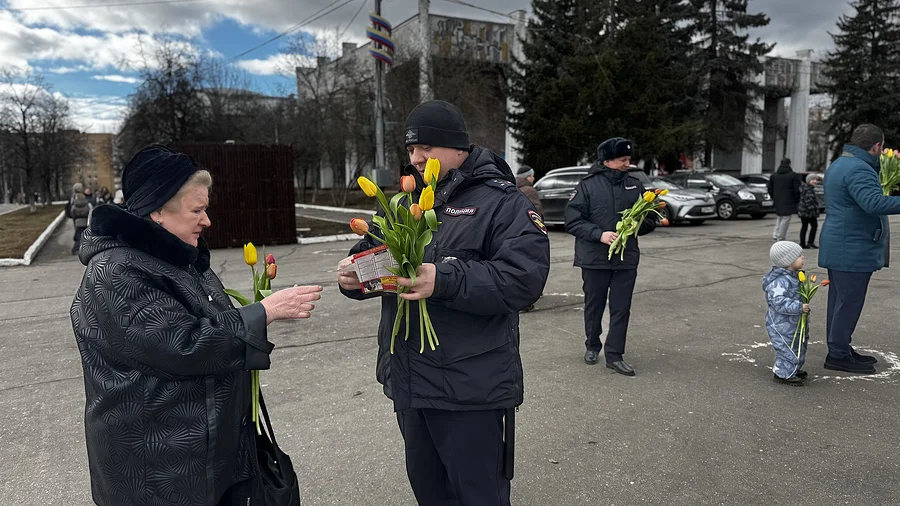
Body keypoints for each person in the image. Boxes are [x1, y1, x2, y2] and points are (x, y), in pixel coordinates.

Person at [70, 145, 323, 506]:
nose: (207, 221)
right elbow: (183, 346)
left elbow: (215, 324)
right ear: (157, 210)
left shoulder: (179, 260)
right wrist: (263, 312)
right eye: (198, 210)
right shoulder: (116, 271)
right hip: (158, 470)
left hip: (201, 454)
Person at [338, 100, 550, 506]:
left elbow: (524, 280)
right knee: (430, 493)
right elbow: (375, 256)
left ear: (458, 148)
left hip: (470, 389)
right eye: (411, 149)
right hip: (411, 381)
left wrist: (445, 279)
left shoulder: (502, 203)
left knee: (479, 496)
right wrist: (354, 276)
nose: (416, 158)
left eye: (427, 149)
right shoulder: (403, 202)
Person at [565, 137, 657, 376]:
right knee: (594, 306)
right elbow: (573, 221)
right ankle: (592, 345)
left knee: (621, 308)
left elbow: (649, 218)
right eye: (622, 160)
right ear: (607, 161)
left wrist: (638, 225)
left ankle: (615, 355)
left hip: (626, 259)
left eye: (629, 159)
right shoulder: (587, 186)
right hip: (594, 258)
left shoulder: (635, 185)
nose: (628, 163)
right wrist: (599, 235)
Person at [818, 124, 900, 374]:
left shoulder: (841, 164)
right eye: (882, 147)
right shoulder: (858, 169)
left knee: (840, 301)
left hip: (842, 245)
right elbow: (873, 203)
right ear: (876, 146)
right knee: (849, 302)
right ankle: (838, 355)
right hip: (851, 249)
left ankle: (840, 348)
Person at [763, 241, 810, 386]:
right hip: (781, 323)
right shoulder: (780, 281)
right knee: (787, 347)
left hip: (794, 321)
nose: (803, 258)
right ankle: (783, 373)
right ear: (788, 261)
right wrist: (798, 306)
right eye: (798, 256)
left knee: (799, 344)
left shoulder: (793, 276)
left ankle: (793, 368)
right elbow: (778, 302)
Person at [767, 158, 801, 242]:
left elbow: (770, 189)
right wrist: (796, 199)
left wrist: (774, 197)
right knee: (786, 218)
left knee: (779, 217)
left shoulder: (774, 176)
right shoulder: (793, 175)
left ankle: (775, 234)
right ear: (789, 164)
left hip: (778, 199)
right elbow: (797, 189)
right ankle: (781, 236)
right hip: (789, 199)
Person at [67, 183, 92, 255]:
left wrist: (74, 216)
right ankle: (84, 249)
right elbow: (88, 208)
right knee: (85, 234)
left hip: (77, 219)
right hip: (85, 218)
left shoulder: (73, 198)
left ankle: (77, 248)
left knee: (78, 233)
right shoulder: (84, 198)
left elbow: (71, 210)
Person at [798, 174, 821, 248]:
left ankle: (803, 243)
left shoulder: (805, 188)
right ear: (808, 181)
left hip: (803, 211)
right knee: (814, 226)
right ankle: (810, 242)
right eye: (813, 180)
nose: (815, 181)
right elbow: (809, 201)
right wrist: (813, 211)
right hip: (808, 212)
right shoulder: (808, 189)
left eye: (816, 180)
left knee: (804, 226)